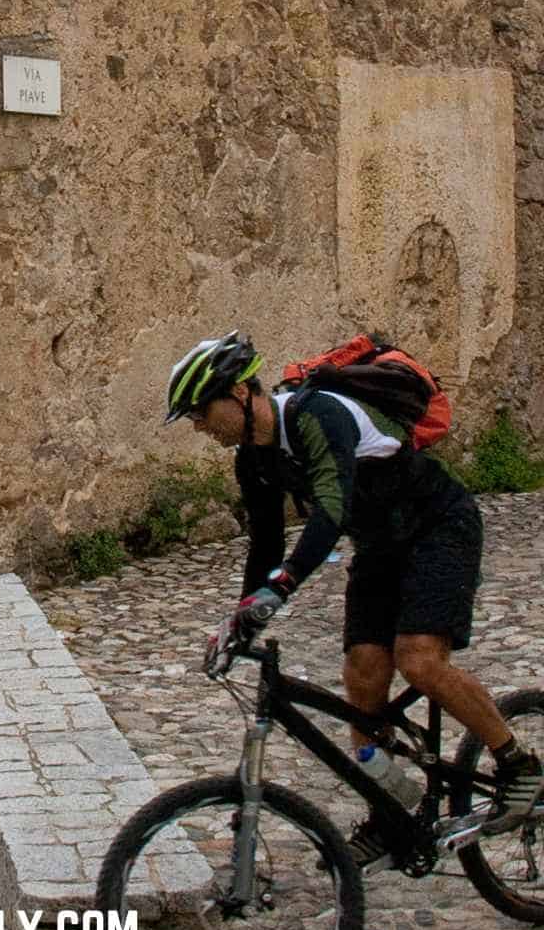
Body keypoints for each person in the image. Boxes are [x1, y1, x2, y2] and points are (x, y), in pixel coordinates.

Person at [166, 329, 544, 863]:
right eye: (194, 420)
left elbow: (331, 512)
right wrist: (242, 616)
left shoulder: (319, 416)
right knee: (362, 677)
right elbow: (268, 544)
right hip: (380, 547)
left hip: (439, 527)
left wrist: (283, 586)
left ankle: (517, 761)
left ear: (242, 393)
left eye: (203, 412)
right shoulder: (254, 458)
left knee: (419, 660)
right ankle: (391, 812)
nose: (202, 427)